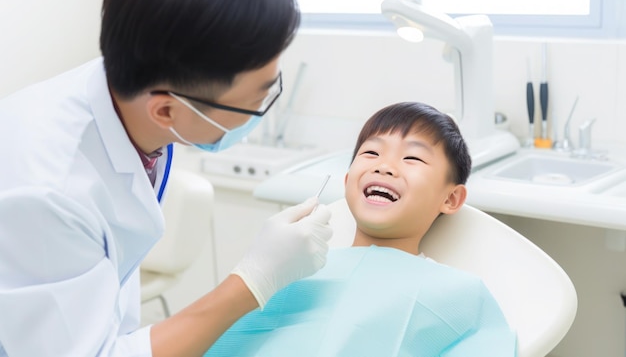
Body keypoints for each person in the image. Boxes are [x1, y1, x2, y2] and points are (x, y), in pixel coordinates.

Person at [0, 0, 332, 356]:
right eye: (254, 101)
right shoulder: (48, 192)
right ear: (166, 110)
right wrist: (253, 281)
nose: (259, 113)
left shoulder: (132, 95)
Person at [204, 101, 517, 357]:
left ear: (450, 198)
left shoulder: (459, 294)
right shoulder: (291, 271)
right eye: (371, 153)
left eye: (412, 157)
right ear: (347, 180)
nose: (383, 166)